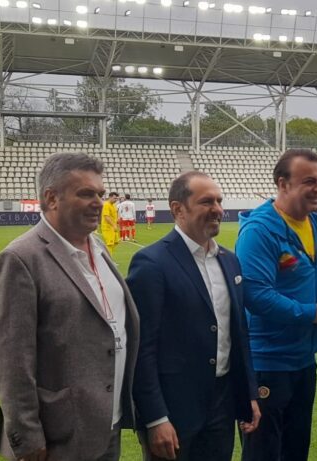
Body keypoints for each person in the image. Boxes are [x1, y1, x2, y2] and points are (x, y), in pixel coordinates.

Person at [0, 152, 140, 461]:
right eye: (86, 194)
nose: (99, 202)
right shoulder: (20, 259)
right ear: (52, 198)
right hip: (59, 435)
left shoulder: (98, 247)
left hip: (107, 425)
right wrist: (27, 435)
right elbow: (11, 360)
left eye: (100, 193)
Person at [127, 172, 261, 461]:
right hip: (174, 410)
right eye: (206, 202)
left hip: (222, 403)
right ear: (178, 209)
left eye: (219, 201)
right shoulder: (151, 264)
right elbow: (141, 349)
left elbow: (238, 333)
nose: (218, 209)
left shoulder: (229, 260)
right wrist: (155, 417)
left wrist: (248, 393)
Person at [235, 148, 317, 461]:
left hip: (304, 360)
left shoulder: (316, 225)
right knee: (263, 454)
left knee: (295, 451)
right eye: (309, 181)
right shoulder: (259, 231)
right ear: (283, 184)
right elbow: (255, 295)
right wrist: (312, 313)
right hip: (267, 365)